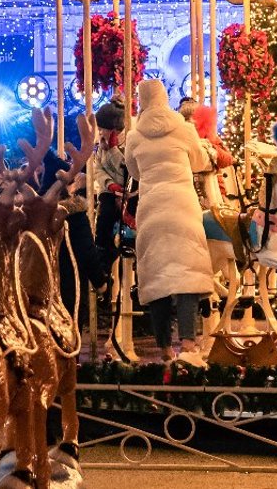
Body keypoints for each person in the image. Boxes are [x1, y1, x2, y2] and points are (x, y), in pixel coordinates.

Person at [122, 79, 215, 365]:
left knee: (158, 279)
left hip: (152, 208)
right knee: (185, 275)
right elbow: (199, 161)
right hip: (182, 205)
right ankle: (188, 342)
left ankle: (164, 348)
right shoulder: (184, 129)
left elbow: (134, 170)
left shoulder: (134, 136)